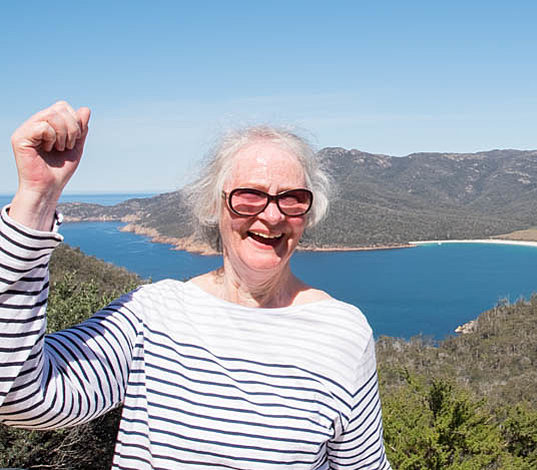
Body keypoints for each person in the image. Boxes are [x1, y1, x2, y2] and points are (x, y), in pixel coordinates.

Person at [0, 101, 391, 469]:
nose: (272, 216)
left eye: (292, 199)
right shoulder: (152, 317)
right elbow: (20, 395)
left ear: (308, 212)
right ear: (214, 205)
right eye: (249, 196)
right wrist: (37, 197)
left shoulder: (342, 333)